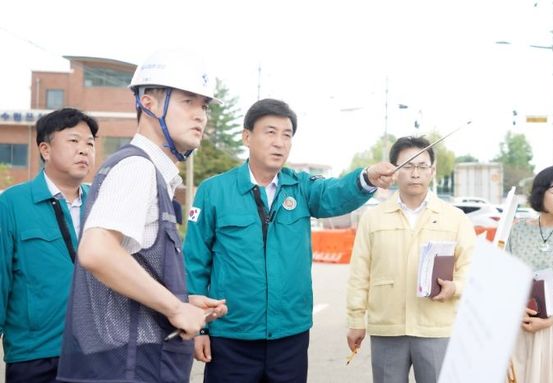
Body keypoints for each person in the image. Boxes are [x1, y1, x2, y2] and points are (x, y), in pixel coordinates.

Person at [183, 97, 396, 382]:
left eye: (287, 135)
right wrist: (200, 329)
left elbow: (334, 194)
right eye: (270, 132)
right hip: (231, 335)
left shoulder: (301, 187)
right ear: (247, 136)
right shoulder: (214, 191)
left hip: (289, 335)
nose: (279, 142)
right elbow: (195, 262)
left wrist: (367, 178)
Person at [57, 50, 227, 383]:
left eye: (204, 105)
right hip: (129, 369)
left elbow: (126, 276)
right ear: (148, 103)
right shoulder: (137, 168)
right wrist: (176, 309)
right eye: (188, 101)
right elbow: (97, 252)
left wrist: (182, 299)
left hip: (136, 364)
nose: (200, 116)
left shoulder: (152, 173)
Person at [346, 136, 476, 383]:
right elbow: (359, 274)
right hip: (387, 328)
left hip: (437, 328)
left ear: (433, 171)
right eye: (407, 166)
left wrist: (455, 287)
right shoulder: (373, 218)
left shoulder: (455, 218)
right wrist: (355, 320)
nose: (415, 173)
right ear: (394, 171)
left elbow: (470, 267)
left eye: (422, 166)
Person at [0, 108, 98, 383]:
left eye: (90, 143)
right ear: (45, 149)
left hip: (95, 353)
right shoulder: (12, 203)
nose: (84, 150)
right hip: (34, 355)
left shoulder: (101, 204)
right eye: (74, 141)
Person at [506, 165, 553, 383]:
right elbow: (506, 274)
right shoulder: (518, 230)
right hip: (519, 322)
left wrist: (550, 317)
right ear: (540, 194)